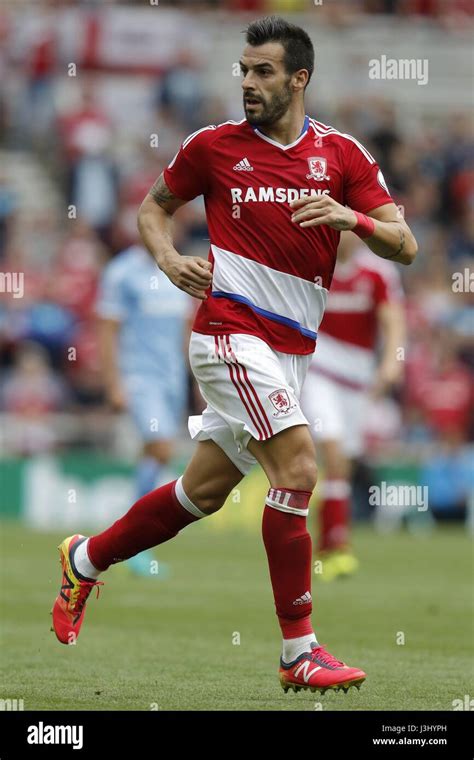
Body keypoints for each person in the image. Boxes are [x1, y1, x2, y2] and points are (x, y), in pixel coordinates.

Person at [51, 16, 417, 695]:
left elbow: (405, 244)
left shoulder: (341, 157)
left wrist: (352, 220)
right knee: (301, 466)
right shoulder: (213, 147)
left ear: (299, 78)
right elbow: (153, 211)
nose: (248, 83)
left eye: (264, 72)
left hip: (290, 352)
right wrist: (165, 259)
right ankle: (298, 652)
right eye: (244, 71)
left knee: (203, 493)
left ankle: (88, 558)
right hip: (228, 334)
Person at [300, 231, 405, 580]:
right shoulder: (313, 265)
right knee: (331, 450)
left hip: (357, 381)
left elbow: (392, 319)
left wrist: (392, 361)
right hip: (318, 373)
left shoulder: (377, 272)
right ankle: (337, 543)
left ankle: (331, 545)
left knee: (342, 462)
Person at [96, 243, 191, 575]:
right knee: (160, 447)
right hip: (139, 376)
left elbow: (186, 329)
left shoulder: (178, 267)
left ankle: (130, 537)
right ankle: (133, 542)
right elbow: (107, 329)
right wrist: (113, 384)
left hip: (172, 378)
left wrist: (195, 379)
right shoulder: (121, 272)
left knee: (157, 453)